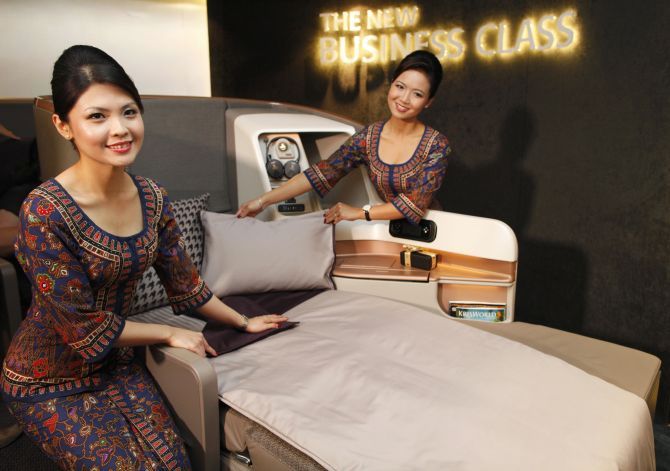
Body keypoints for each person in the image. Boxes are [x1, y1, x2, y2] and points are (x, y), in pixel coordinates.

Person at [0, 45, 287, 470]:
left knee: (174, 465)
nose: (120, 129)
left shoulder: (152, 198)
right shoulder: (44, 211)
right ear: (63, 125)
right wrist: (168, 335)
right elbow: (82, 329)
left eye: (129, 112)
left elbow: (185, 286)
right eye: (97, 116)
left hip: (115, 364)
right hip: (47, 379)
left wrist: (242, 321)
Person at [237, 50, 451, 225]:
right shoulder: (368, 137)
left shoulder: (437, 145)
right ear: (392, 83)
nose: (404, 99)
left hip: (433, 231)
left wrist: (360, 213)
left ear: (429, 101)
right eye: (400, 87)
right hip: (388, 232)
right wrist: (262, 201)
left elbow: (414, 204)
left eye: (417, 94)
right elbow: (322, 172)